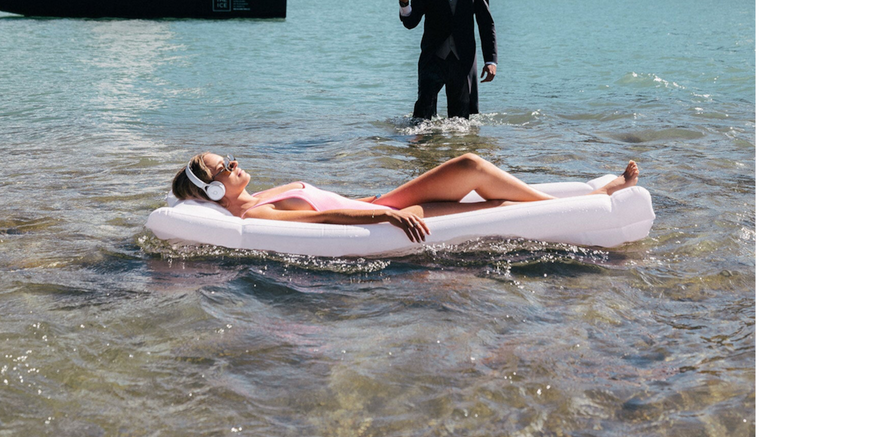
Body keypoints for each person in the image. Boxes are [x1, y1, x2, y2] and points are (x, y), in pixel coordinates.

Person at [172, 150, 642, 245]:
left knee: (475, 176)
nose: (234, 164)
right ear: (214, 189)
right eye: (223, 168)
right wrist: (387, 217)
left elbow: (327, 199)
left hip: (383, 201)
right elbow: (321, 221)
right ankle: (597, 196)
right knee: (472, 171)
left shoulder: (262, 193)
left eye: (228, 158)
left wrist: (376, 201)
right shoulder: (258, 213)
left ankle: (594, 192)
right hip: (387, 213)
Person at [392, 0, 497, 121]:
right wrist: (404, 1)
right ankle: (422, 151)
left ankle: (459, 151)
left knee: (462, 122)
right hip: (432, 59)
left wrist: (490, 60)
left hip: (463, 61)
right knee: (421, 120)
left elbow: (486, 24)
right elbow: (410, 22)